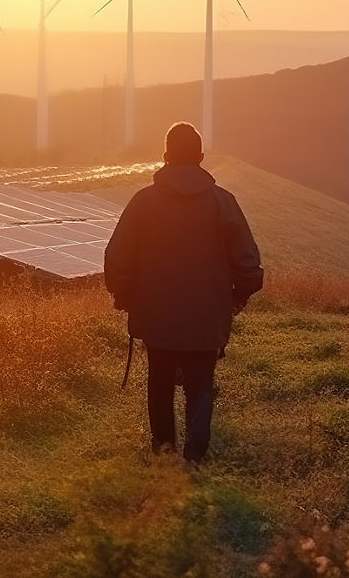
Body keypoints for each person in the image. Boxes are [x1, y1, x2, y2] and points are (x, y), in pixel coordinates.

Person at [103, 122, 263, 463]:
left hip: (155, 314)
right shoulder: (224, 203)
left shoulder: (143, 202)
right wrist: (238, 297)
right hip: (207, 317)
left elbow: (117, 256)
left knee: (159, 382)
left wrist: (124, 295)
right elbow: (247, 261)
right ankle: (194, 459)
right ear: (201, 158)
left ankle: (163, 453)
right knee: (201, 383)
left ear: (165, 157)